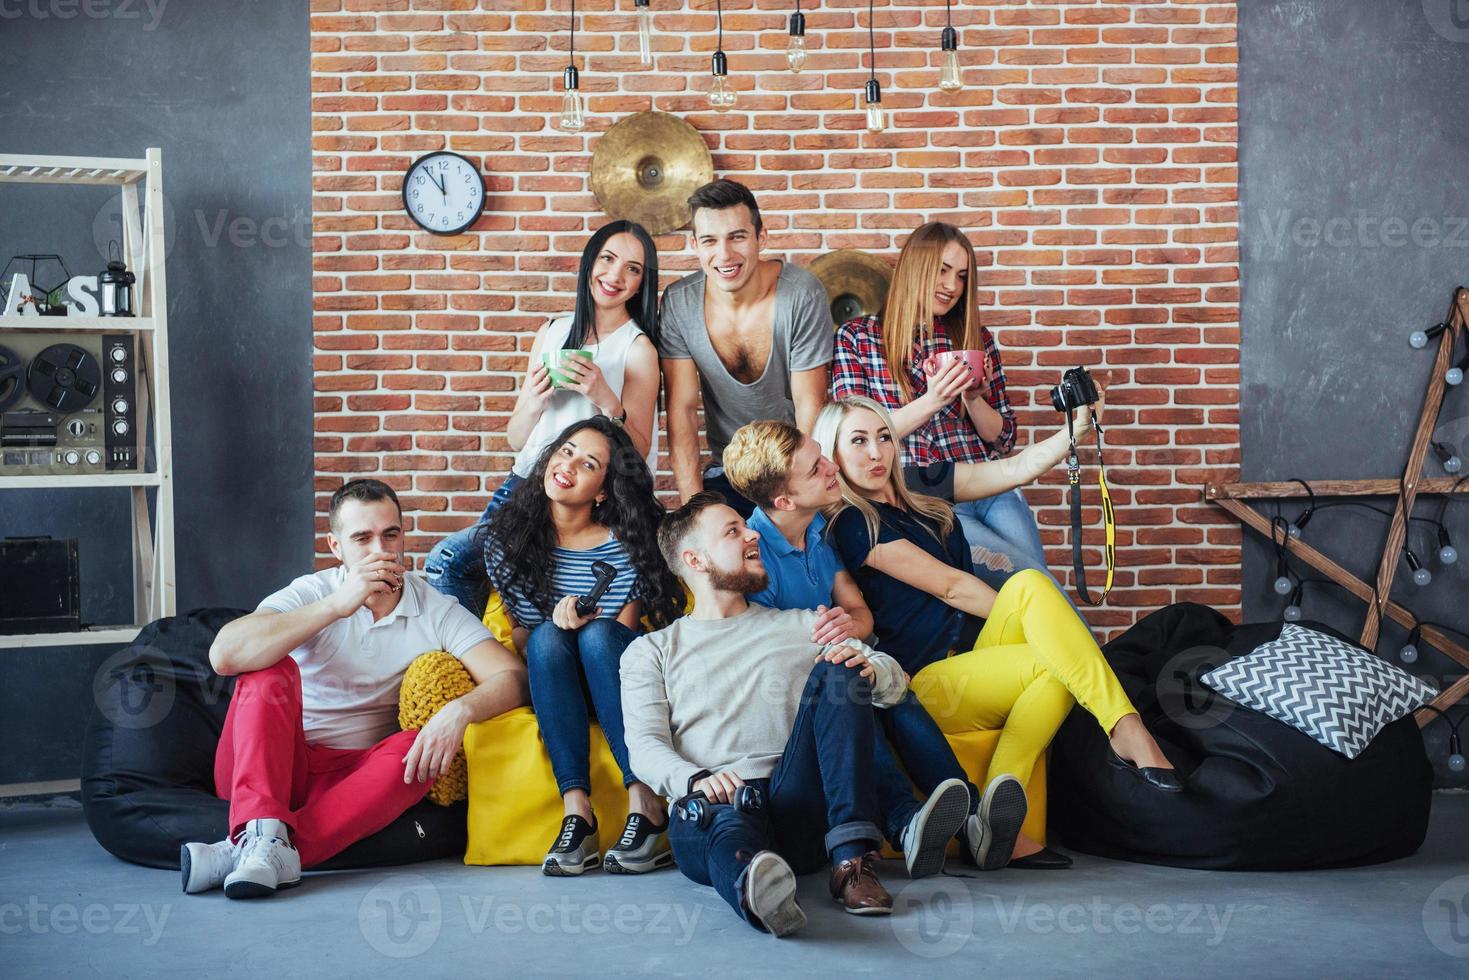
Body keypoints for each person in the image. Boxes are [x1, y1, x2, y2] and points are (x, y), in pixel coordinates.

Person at [814, 397, 1184, 867]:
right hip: (927, 681)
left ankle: (993, 818)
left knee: (1041, 614)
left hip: (980, 654)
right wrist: (1039, 627)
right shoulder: (851, 521)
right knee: (1047, 633)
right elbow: (951, 588)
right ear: (835, 454)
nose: (875, 453)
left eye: (883, 436)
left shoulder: (920, 486)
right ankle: (1126, 728)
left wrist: (1076, 430)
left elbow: (1014, 469)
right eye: (858, 441)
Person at [723, 418, 1096, 870]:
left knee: (891, 689)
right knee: (865, 693)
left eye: (823, 454)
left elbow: (861, 615)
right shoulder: (753, 553)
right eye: (816, 466)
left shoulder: (819, 531)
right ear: (785, 500)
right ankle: (925, 822)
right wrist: (825, 636)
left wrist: (849, 629)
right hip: (791, 696)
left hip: (843, 667)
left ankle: (966, 821)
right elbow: (756, 648)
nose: (831, 467)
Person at [621, 493, 971, 935]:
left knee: (841, 669)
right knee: (723, 827)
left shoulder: (804, 624)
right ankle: (757, 887)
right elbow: (646, 746)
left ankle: (852, 863)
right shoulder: (651, 650)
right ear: (695, 559)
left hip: (799, 807)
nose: (752, 534)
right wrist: (695, 780)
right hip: (717, 805)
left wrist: (871, 669)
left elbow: (891, 677)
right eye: (733, 531)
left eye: (746, 527)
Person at [182, 479, 528, 899]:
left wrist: (459, 712)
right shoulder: (314, 592)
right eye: (362, 538)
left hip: (350, 783)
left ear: (404, 537)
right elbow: (225, 656)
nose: (380, 551)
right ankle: (261, 838)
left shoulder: (433, 608)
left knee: (414, 750)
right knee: (269, 672)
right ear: (336, 546)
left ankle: (247, 851)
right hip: (268, 770)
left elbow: (513, 677)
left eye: (391, 535)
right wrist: (336, 606)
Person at [425, 220, 663, 615]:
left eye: (633, 269)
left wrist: (606, 398)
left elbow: (637, 453)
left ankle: (513, 663)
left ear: (641, 284)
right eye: (607, 259)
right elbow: (516, 439)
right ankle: (478, 660)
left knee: (459, 561)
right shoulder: (552, 331)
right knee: (450, 561)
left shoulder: (637, 349)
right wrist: (534, 401)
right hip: (524, 486)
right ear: (589, 264)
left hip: (584, 497)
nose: (615, 275)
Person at [482, 416, 685, 876]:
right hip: (554, 683)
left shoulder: (626, 547)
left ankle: (646, 805)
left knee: (595, 635)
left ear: (602, 491)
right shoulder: (506, 542)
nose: (568, 464)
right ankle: (579, 814)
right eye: (567, 450)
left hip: (614, 681)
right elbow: (524, 642)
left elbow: (623, 645)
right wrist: (556, 624)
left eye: (588, 463)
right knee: (548, 638)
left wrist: (586, 623)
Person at [831, 221, 1053, 593]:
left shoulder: (974, 338)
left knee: (1036, 585)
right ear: (915, 267)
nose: (952, 286)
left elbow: (1003, 440)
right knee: (1031, 585)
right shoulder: (858, 339)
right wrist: (933, 400)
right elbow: (854, 437)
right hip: (927, 499)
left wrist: (973, 398)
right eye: (943, 271)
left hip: (991, 485)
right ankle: (1095, 653)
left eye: (962, 276)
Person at [659, 178, 834, 517]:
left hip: (794, 468)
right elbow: (681, 411)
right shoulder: (680, 303)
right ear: (695, 244)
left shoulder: (801, 293)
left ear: (761, 237)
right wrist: (695, 509)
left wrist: (797, 499)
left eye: (737, 236)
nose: (724, 255)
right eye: (710, 240)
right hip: (728, 471)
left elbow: (809, 403)